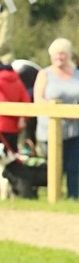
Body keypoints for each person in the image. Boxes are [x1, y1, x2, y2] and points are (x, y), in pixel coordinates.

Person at [33, 38, 79, 200]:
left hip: (75, 129)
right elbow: (38, 99)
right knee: (55, 165)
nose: (59, 57)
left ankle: (74, 196)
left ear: (69, 55)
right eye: (56, 54)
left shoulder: (77, 75)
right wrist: (60, 112)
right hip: (50, 129)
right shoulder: (45, 74)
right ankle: (54, 196)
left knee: (74, 165)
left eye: (63, 54)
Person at [0, 53, 30, 155]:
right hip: (15, 125)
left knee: (0, 160)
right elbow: (25, 98)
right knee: (13, 157)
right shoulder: (15, 77)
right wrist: (22, 117)